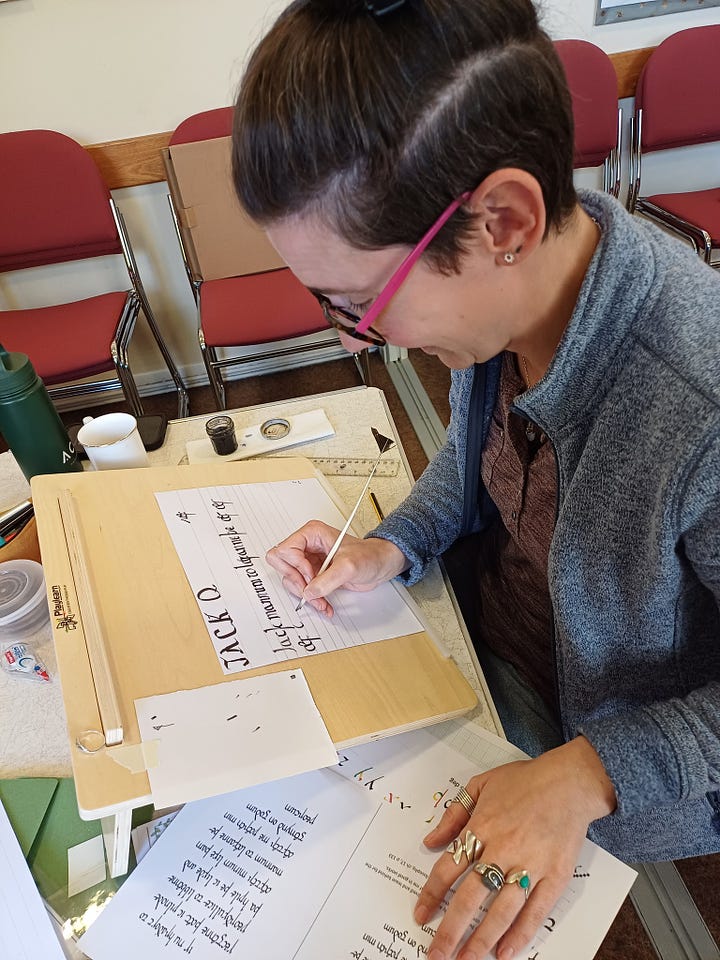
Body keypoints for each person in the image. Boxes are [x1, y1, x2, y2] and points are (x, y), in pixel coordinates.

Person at [231, 1, 720, 957]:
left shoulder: (696, 398)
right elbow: (475, 467)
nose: (354, 337)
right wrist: (393, 546)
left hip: (616, 765)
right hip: (477, 664)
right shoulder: (505, 314)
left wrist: (591, 773)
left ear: (503, 220)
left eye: (360, 303)